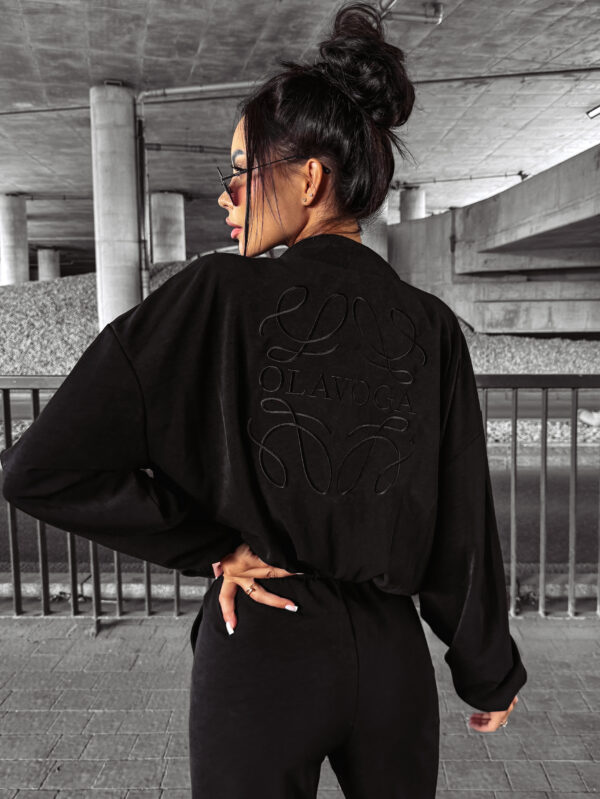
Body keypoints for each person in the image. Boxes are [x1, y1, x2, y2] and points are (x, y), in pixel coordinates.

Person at [0, 3, 526, 797]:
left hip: (262, 646)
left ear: (309, 178)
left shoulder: (216, 294)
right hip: (392, 660)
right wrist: (489, 671)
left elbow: (40, 469)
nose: (227, 197)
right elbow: (462, 521)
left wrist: (213, 545)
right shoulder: (431, 326)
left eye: (241, 171)